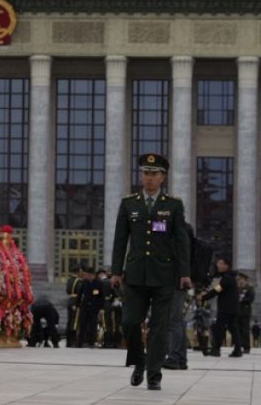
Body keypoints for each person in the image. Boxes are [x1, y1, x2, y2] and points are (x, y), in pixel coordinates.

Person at [110, 153, 191, 391]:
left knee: (159, 327)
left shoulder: (173, 205)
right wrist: (116, 271)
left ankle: (154, 374)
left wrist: (184, 272)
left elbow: (180, 240)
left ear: (163, 177)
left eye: (154, 174)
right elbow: (120, 239)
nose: (149, 178)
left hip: (164, 275)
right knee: (129, 322)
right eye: (145, 173)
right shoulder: (129, 203)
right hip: (134, 274)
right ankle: (139, 361)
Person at [199, 255, 241, 357]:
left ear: (227, 266)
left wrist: (203, 297)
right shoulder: (229, 277)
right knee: (233, 329)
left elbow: (217, 290)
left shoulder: (227, 278)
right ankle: (238, 350)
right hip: (231, 308)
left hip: (225, 309)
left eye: (221, 263)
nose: (218, 265)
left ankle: (216, 350)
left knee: (219, 329)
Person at [237, 272, 253, 355]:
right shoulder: (238, 289)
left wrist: (241, 300)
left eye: (241, 279)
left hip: (245, 312)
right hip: (238, 312)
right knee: (238, 330)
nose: (240, 281)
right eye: (239, 279)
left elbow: (250, 299)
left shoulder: (250, 288)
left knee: (245, 330)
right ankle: (239, 346)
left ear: (245, 280)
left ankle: (247, 347)